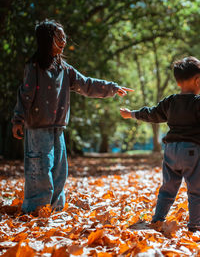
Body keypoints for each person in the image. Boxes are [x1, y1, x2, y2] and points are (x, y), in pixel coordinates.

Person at [11, 19, 133, 214]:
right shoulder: (33, 67)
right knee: (40, 168)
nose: (64, 41)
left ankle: (55, 207)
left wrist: (112, 88)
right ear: (46, 40)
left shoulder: (64, 69)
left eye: (64, 37)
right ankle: (36, 209)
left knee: (59, 170)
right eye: (58, 37)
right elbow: (25, 95)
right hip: (37, 127)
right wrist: (18, 120)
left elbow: (86, 84)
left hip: (58, 127)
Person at [120, 56, 200, 232]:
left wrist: (132, 114)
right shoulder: (198, 102)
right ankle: (195, 226)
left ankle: (158, 220)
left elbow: (153, 114)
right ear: (198, 80)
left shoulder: (170, 101)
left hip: (170, 150)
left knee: (168, 188)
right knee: (196, 190)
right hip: (191, 151)